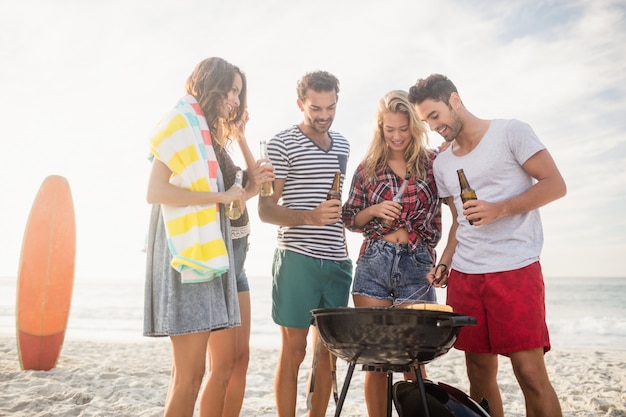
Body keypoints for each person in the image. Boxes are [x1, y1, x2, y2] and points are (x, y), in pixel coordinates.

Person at [408, 73, 566, 417]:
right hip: (466, 276)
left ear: (454, 99)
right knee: (478, 375)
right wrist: (445, 262)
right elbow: (457, 221)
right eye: (426, 121)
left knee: (530, 373)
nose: (433, 126)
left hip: (515, 268)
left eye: (435, 115)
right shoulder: (442, 162)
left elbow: (555, 185)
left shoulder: (511, 132)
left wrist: (500, 209)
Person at [144, 57, 271, 417]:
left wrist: (237, 187)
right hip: (188, 261)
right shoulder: (182, 124)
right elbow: (155, 191)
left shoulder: (204, 134)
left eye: (238, 93)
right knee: (190, 376)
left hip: (209, 261)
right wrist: (220, 196)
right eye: (230, 90)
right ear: (210, 84)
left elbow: (237, 198)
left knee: (190, 375)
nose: (234, 99)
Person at [341, 89, 442, 417]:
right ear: (380, 128)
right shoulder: (368, 167)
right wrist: (374, 210)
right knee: (377, 360)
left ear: (413, 126)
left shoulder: (431, 164)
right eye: (390, 129)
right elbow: (349, 217)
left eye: (403, 128)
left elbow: (449, 208)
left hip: (418, 263)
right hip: (374, 262)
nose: (397, 136)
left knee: (414, 358)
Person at [258, 70, 353, 417]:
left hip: (338, 261)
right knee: (294, 352)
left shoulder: (342, 144)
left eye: (330, 107)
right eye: (315, 108)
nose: (323, 115)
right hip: (297, 258)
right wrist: (310, 217)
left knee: (327, 354)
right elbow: (266, 211)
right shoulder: (281, 143)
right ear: (301, 103)